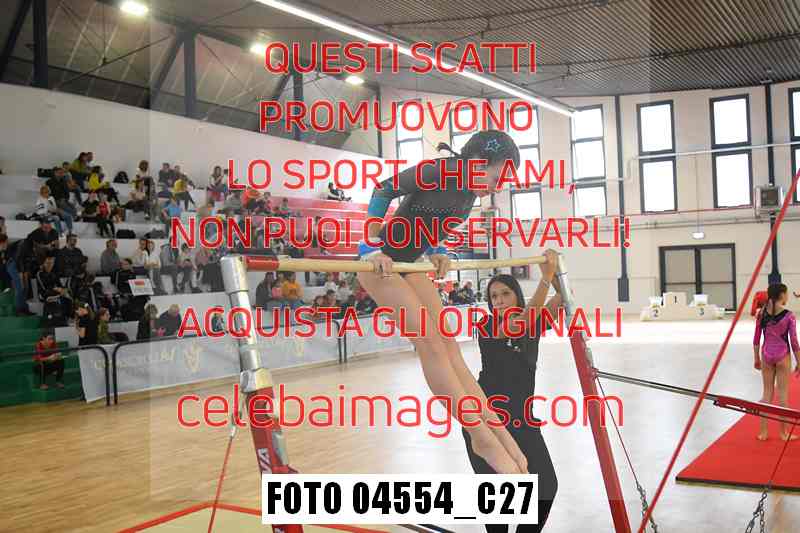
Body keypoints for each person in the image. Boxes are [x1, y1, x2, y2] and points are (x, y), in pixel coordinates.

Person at [356, 129, 526, 474]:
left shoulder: (468, 196)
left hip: (408, 263)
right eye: (496, 178)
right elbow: (384, 189)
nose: (497, 187)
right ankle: (480, 436)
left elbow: (428, 222)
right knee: (431, 344)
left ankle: (494, 426)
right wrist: (370, 247)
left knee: (450, 346)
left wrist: (438, 250)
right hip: (377, 263)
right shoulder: (440, 170)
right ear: (477, 162)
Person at [462, 256, 561, 533]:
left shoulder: (533, 324)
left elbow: (561, 299)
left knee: (546, 486)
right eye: (493, 296)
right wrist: (545, 278)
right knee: (499, 501)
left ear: (517, 295)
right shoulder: (487, 325)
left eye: (505, 293)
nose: (499, 301)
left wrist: (556, 272)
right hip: (487, 419)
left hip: (522, 419)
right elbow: (519, 324)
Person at [753, 283, 800, 441]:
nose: (787, 296)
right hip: (782, 355)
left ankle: (763, 432)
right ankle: (783, 433)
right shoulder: (789, 315)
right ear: (781, 295)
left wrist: (756, 358)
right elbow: (794, 342)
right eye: (786, 294)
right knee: (782, 395)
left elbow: (756, 339)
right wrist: (799, 361)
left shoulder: (761, 314)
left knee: (766, 394)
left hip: (766, 354)